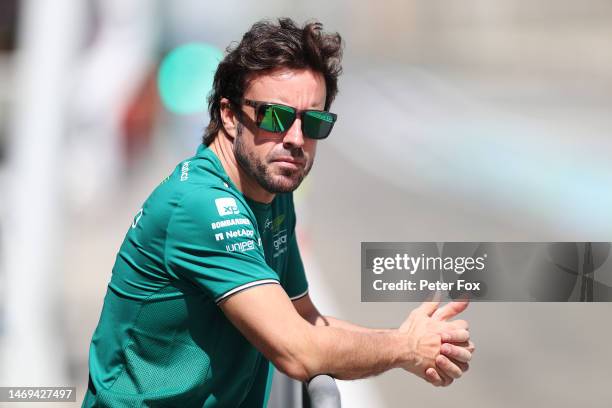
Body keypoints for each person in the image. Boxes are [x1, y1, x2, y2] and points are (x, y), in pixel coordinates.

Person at [83, 18, 475, 407]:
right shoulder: (202, 204)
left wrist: (406, 340)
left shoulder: (272, 188)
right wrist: (403, 348)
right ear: (230, 115)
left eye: (314, 122)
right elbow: (297, 351)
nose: (295, 139)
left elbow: (302, 318)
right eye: (275, 116)